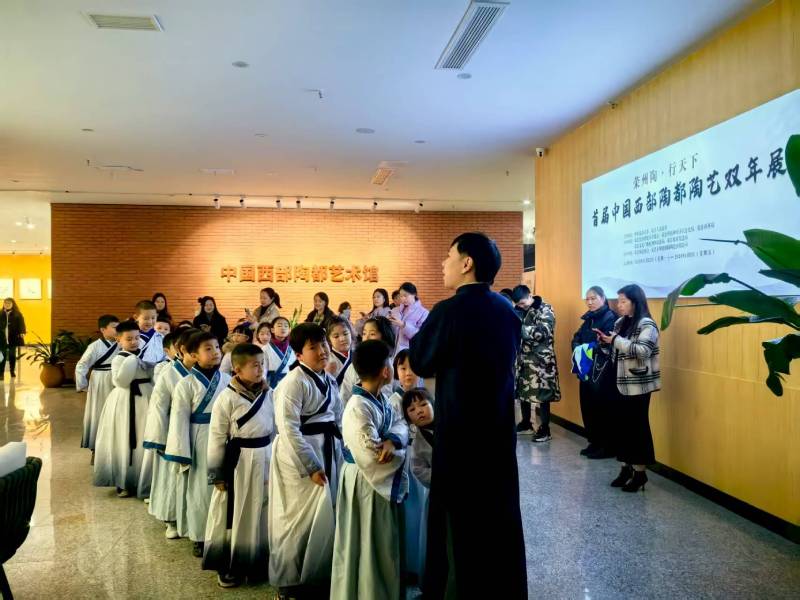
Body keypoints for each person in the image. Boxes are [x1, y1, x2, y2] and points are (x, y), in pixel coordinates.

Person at [409, 232, 527, 599]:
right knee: (499, 517)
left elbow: (420, 360)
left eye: (448, 256)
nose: (443, 264)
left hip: (460, 439)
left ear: (467, 263)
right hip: (498, 436)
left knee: (458, 526)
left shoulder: (448, 311)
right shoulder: (507, 311)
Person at [268, 323, 343, 598]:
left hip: (328, 448)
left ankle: (318, 575)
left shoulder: (329, 379)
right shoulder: (293, 383)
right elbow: (288, 428)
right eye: (314, 347)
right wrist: (310, 465)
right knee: (296, 518)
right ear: (299, 354)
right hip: (298, 458)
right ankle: (288, 581)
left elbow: (338, 417)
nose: (322, 351)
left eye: (323, 345)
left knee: (323, 515)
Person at [331, 339, 408, 600]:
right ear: (385, 370)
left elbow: (400, 424)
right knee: (366, 540)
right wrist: (394, 447)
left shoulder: (381, 398)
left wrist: (393, 441)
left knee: (381, 540)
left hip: (376, 481)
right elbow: (375, 456)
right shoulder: (358, 407)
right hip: (366, 480)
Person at [203, 343, 275, 588]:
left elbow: (276, 429)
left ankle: (259, 561)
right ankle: (230, 564)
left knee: (263, 509)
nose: (260, 369)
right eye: (254, 365)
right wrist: (218, 474)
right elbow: (216, 436)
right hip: (238, 461)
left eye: (262, 364)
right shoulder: (227, 398)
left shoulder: (269, 393)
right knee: (234, 512)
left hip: (266, 456)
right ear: (237, 369)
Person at [165, 331, 232, 557]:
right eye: (208, 349)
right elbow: (178, 419)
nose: (215, 352)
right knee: (201, 490)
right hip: (199, 439)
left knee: (225, 488)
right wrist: (181, 452)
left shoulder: (227, 380)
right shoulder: (186, 384)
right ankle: (201, 536)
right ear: (193, 355)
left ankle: (224, 533)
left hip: (225, 438)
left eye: (217, 347)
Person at [595, 284, 660, 493]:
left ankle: (640, 473)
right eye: (619, 301)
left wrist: (615, 340)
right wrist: (605, 342)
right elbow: (617, 350)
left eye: (623, 301)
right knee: (620, 426)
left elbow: (642, 351)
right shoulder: (620, 322)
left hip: (637, 384)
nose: (619, 305)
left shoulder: (647, 324)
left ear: (635, 302)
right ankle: (625, 468)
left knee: (637, 428)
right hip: (617, 380)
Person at [92, 320, 154, 497]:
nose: (134, 342)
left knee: (144, 437)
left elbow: (153, 378)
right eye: (129, 339)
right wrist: (133, 360)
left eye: (137, 338)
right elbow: (121, 381)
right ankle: (124, 481)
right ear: (119, 340)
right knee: (124, 439)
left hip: (146, 397)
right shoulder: (119, 359)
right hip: (125, 400)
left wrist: (152, 366)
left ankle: (145, 480)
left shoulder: (145, 355)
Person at [142, 330, 194, 540]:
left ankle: (192, 517)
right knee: (171, 476)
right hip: (173, 431)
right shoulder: (169, 374)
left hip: (198, 431)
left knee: (193, 478)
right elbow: (157, 408)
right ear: (182, 350)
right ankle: (170, 518)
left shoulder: (208, 374)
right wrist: (160, 439)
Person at [388, 352, 427, 583]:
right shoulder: (393, 400)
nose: (408, 373)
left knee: (423, 512)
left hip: (423, 457)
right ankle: (406, 565)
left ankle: (421, 564)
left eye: (412, 367)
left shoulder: (427, 396)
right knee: (406, 513)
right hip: (402, 460)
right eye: (402, 368)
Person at [571, 286, 618, 459]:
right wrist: (579, 347)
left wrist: (585, 348)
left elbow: (606, 343)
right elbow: (576, 337)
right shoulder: (588, 318)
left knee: (601, 408)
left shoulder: (610, 318)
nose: (589, 302)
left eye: (593, 298)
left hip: (602, 372)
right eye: (587, 299)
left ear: (603, 298)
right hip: (586, 370)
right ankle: (594, 442)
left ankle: (606, 446)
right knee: (588, 407)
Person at [513, 285, 561, 443]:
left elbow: (542, 332)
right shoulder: (520, 310)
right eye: (518, 304)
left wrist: (518, 328)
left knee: (543, 394)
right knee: (523, 392)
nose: (521, 306)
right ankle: (526, 423)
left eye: (522, 303)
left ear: (530, 295)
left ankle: (545, 429)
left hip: (542, 361)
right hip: (524, 359)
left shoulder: (545, 309)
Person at [77, 314, 120, 457]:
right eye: (114, 327)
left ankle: (114, 446)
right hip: (100, 379)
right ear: (103, 329)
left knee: (116, 411)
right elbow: (82, 365)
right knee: (98, 411)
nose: (117, 330)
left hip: (117, 379)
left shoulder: (121, 344)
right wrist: (83, 385)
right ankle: (96, 447)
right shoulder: (94, 346)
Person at [339, 316, 397, 405]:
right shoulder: (356, 365)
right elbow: (344, 396)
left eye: (372, 334)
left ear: (384, 337)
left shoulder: (391, 363)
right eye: (364, 333)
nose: (366, 338)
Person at [388, 282, 429, 355]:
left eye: (405, 295)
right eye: (401, 296)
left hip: (410, 353)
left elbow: (421, 336)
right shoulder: (395, 310)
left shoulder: (424, 313)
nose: (403, 298)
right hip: (393, 352)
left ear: (414, 294)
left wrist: (403, 325)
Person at [264, 316, 295, 389]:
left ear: (289, 330)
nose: (283, 328)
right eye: (279, 326)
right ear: (272, 330)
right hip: (272, 384)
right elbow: (263, 369)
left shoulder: (295, 347)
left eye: (286, 326)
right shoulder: (265, 349)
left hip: (291, 384)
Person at [0, 298, 26, 379]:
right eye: (5, 303)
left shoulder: (17, 314)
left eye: (9, 303)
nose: (7, 305)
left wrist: (22, 332)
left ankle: (12, 371)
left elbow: (22, 324)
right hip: (2, 338)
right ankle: (1, 373)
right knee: (2, 356)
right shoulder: (0, 313)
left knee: (12, 355)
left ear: (12, 304)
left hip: (13, 338)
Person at [325, 316, 353, 386]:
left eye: (345, 334)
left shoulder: (359, 355)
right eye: (336, 336)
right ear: (329, 340)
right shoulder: (326, 360)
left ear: (351, 333)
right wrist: (326, 374)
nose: (342, 339)